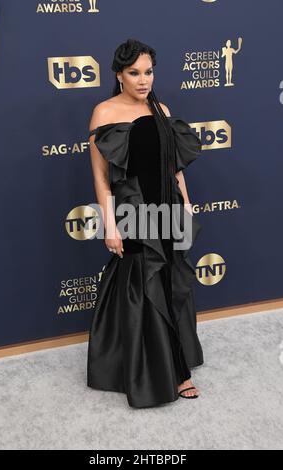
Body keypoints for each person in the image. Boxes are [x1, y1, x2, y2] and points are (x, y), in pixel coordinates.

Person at [87, 38, 204, 408]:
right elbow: (101, 177)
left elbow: (173, 166)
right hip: (134, 211)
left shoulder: (161, 107)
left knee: (170, 281)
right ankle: (166, 372)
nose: (143, 80)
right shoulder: (103, 112)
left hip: (167, 207)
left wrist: (185, 202)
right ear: (119, 75)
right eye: (134, 73)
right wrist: (110, 223)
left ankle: (176, 361)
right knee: (145, 284)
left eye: (148, 72)